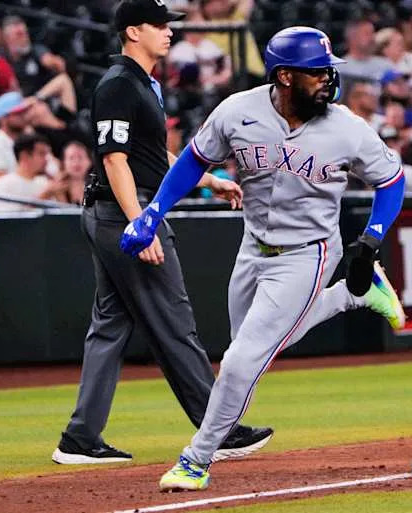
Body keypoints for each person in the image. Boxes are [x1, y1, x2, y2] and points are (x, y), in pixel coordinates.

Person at [118, 25, 407, 491]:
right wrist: (153, 212)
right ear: (285, 76)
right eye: (317, 73)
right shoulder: (238, 111)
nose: (328, 81)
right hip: (252, 248)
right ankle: (354, 296)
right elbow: (195, 159)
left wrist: (372, 236)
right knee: (255, 351)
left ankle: (196, 459)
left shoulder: (347, 128)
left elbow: (392, 181)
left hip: (308, 253)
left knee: (240, 361)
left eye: (328, 72)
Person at [52, 0, 274, 467]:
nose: (169, 32)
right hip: (122, 216)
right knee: (174, 323)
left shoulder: (140, 84)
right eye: (159, 25)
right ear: (133, 32)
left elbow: (153, 155)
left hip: (115, 213)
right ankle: (221, 428)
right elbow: (115, 160)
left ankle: (80, 437)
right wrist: (142, 223)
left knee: (110, 327)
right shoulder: (117, 85)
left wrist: (208, 179)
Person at [0, 132, 66, 212]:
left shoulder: (44, 183)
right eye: (41, 154)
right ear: (24, 156)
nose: (46, 159)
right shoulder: (3, 184)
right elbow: (8, 220)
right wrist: (44, 196)